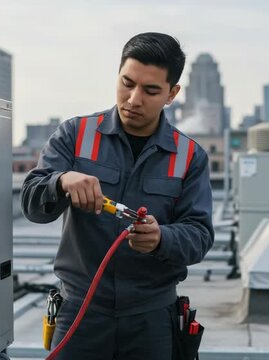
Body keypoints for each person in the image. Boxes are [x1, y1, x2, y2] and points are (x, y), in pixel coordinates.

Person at [22, 32, 214, 359]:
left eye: (151, 90)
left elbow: (200, 234)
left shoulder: (189, 156)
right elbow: (31, 202)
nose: (133, 99)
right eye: (127, 83)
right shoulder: (74, 135)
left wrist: (161, 238)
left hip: (151, 319)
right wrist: (61, 181)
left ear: (172, 94)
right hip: (80, 313)